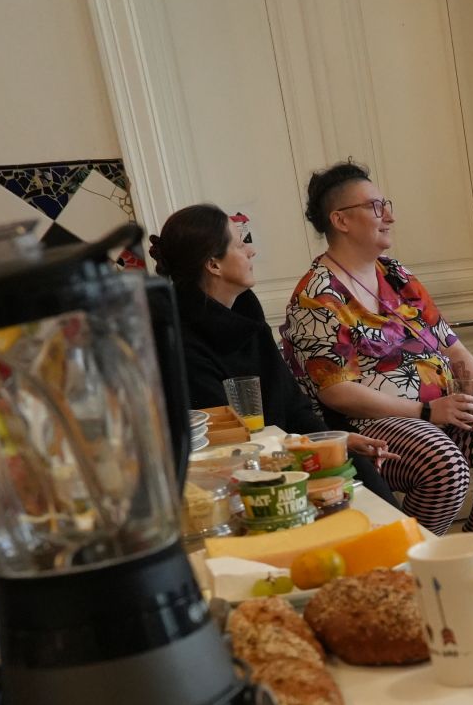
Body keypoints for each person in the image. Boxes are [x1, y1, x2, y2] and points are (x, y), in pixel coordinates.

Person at [281, 161, 473, 540]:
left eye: (385, 205)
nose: (389, 216)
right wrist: (425, 411)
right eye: (375, 207)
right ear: (340, 220)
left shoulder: (396, 275)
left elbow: (452, 345)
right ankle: (416, 560)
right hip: (369, 427)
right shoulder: (317, 295)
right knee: (444, 466)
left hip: (443, 412)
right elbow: (336, 392)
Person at [149, 205, 399, 505]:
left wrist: (332, 440)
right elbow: (229, 443)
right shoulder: (179, 341)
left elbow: (293, 407)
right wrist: (309, 447)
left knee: (365, 479)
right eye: (240, 245)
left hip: (284, 450)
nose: (251, 251)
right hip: (243, 477)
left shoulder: (245, 311)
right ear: (213, 264)